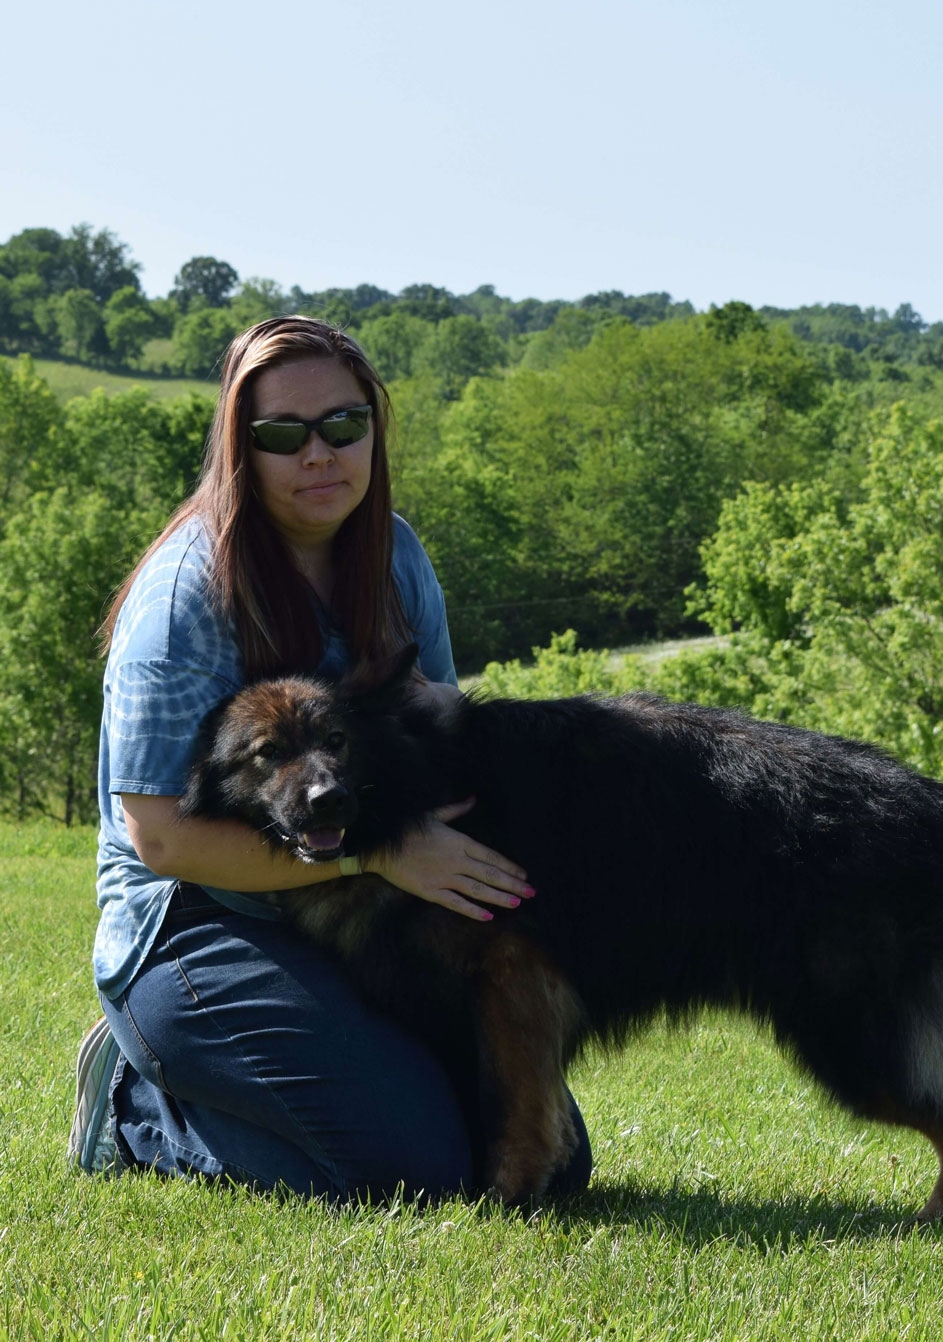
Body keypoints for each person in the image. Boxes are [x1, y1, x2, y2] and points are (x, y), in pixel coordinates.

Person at [69, 315, 592, 1201]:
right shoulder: (183, 600)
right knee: (413, 1174)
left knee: (545, 1160)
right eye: (284, 434)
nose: (321, 454)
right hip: (193, 925)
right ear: (242, 447)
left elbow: (440, 737)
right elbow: (160, 840)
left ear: (373, 430)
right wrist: (379, 851)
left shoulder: (392, 554)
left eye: (344, 426)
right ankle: (138, 1105)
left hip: (357, 920)